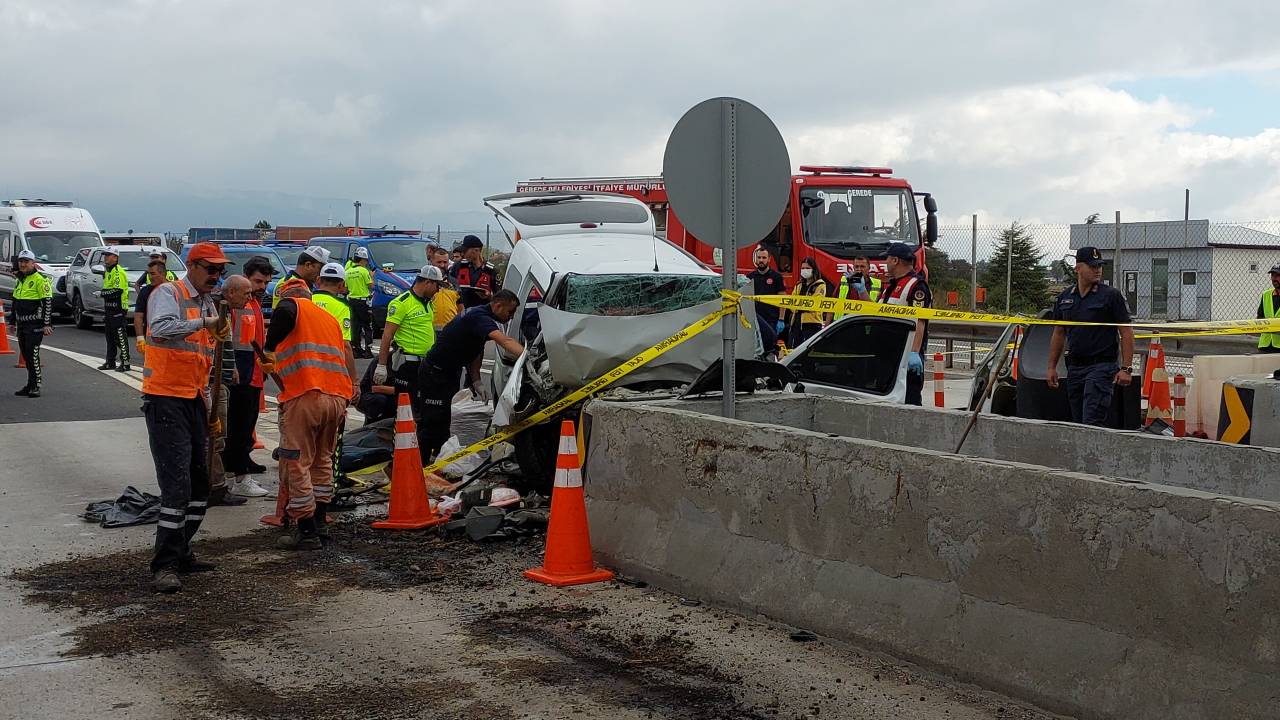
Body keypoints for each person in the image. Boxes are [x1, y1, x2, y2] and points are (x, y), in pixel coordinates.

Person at [142, 242, 231, 593]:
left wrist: (209, 409)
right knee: (176, 483)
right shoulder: (169, 292)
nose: (216, 276)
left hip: (193, 398)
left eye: (219, 270)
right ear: (192, 266)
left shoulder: (207, 302)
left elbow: (203, 361)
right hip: (165, 398)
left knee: (199, 481)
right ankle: (164, 564)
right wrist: (206, 322)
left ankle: (182, 551)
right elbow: (161, 328)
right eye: (210, 269)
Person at [262, 283, 358, 550]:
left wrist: (269, 350)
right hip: (337, 397)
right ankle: (319, 522)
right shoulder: (328, 318)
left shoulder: (293, 306)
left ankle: (305, 529)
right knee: (322, 459)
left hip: (306, 394)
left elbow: (286, 311)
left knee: (297, 460)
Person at [418, 290, 523, 461]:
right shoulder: (479, 317)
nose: (511, 317)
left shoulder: (480, 318)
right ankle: (418, 466)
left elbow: (475, 351)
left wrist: (477, 381)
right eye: (510, 311)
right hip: (434, 373)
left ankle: (438, 462)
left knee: (444, 420)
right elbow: (505, 341)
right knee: (432, 421)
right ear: (497, 305)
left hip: (449, 373)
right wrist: (528, 358)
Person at [1047, 246, 1135, 426]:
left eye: (1100, 265)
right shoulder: (1065, 298)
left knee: (1091, 422)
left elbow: (1126, 332)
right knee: (1078, 423)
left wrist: (1126, 368)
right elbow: (1058, 333)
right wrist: (1051, 367)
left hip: (1101, 367)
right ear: (1078, 268)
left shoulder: (1110, 296)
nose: (1098, 270)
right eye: (1092, 266)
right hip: (1075, 368)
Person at [224, 257, 275, 497]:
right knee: (239, 427)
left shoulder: (254, 301)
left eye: (266, 281)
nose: (263, 286)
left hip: (253, 373)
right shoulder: (237, 303)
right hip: (240, 376)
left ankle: (242, 462)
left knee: (247, 426)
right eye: (258, 281)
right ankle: (240, 476)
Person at [207, 275, 251, 507]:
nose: (249, 298)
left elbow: (225, 341)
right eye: (246, 293)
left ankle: (212, 486)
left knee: (216, 437)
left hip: (219, 378)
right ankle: (215, 488)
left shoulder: (222, 309)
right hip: (212, 383)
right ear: (231, 292)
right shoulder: (216, 308)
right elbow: (212, 341)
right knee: (215, 438)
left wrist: (230, 365)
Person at [311, 263, 355, 489]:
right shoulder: (341, 306)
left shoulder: (307, 301)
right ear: (340, 284)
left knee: (306, 435)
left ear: (319, 281)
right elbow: (345, 346)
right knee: (332, 436)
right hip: (332, 379)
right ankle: (332, 479)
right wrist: (353, 380)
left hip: (306, 376)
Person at [372, 265, 442, 406]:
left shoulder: (428, 304)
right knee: (406, 405)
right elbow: (387, 335)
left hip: (425, 364)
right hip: (407, 364)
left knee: (423, 404)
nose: (438, 290)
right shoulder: (401, 303)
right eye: (437, 286)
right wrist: (381, 365)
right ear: (428, 282)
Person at [880, 242, 932, 406]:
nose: (885, 262)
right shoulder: (892, 285)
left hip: (907, 357)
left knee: (910, 402)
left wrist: (914, 353)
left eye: (887, 258)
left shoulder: (916, 286)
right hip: (890, 354)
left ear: (895, 260)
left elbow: (920, 320)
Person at [11, 250, 52, 398]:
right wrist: (12, 322)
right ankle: (29, 384)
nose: (23, 264)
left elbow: (47, 302)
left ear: (33, 263)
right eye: (21, 261)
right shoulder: (20, 279)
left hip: (35, 324)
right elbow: (15, 301)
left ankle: (36, 385)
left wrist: (47, 324)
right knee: (26, 355)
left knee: (33, 354)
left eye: (26, 261)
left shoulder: (40, 279)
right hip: (22, 324)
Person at [745, 246, 785, 356]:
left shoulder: (776, 277)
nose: (761, 260)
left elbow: (782, 299)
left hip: (771, 320)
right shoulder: (750, 277)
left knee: (770, 348)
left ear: (769, 259)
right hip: (755, 320)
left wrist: (781, 319)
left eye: (764, 257)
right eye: (759, 258)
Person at [781, 257, 828, 347]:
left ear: (814, 270)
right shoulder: (799, 285)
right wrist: (800, 307)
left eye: (807, 268)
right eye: (802, 268)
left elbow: (814, 304)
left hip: (812, 324)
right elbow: (791, 303)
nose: (804, 270)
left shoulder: (820, 285)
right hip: (796, 323)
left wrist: (798, 306)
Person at [98, 248, 132, 372]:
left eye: (108, 255)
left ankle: (125, 362)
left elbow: (117, 291)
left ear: (115, 258)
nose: (105, 258)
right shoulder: (108, 272)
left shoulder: (118, 272)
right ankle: (110, 361)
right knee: (109, 336)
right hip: (109, 308)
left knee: (120, 336)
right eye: (105, 255)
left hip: (118, 308)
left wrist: (102, 293)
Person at [133, 259, 170, 355]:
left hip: (171, 338)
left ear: (162, 273)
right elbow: (138, 316)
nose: (150, 277)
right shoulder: (145, 291)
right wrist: (140, 338)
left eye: (153, 274)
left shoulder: (174, 290)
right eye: (149, 274)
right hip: (151, 338)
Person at [449, 235, 496, 308]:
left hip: (482, 313)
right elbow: (450, 285)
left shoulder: (491, 270)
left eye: (465, 251)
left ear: (476, 251)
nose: (462, 254)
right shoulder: (458, 266)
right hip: (461, 313)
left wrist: (489, 296)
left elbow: (499, 299)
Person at [344, 247, 375, 358]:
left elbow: (345, 289)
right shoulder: (363, 271)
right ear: (363, 260)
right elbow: (371, 286)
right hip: (363, 302)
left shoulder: (347, 272)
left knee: (355, 326)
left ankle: (356, 350)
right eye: (366, 260)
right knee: (367, 326)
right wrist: (372, 277)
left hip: (352, 301)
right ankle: (368, 350)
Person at [429, 246, 464, 331]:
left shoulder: (454, 282)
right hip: (429, 331)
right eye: (439, 262)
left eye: (445, 262)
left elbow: (460, 308)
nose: (442, 265)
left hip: (450, 331)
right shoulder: (424, 283)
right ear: (431, 262)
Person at [1257, 264, 1280, 354]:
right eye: (1272, 275)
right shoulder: (1266, 295)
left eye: (1278, 275)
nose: (1274, 279)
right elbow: (1260, 317)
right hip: (1265, 345)